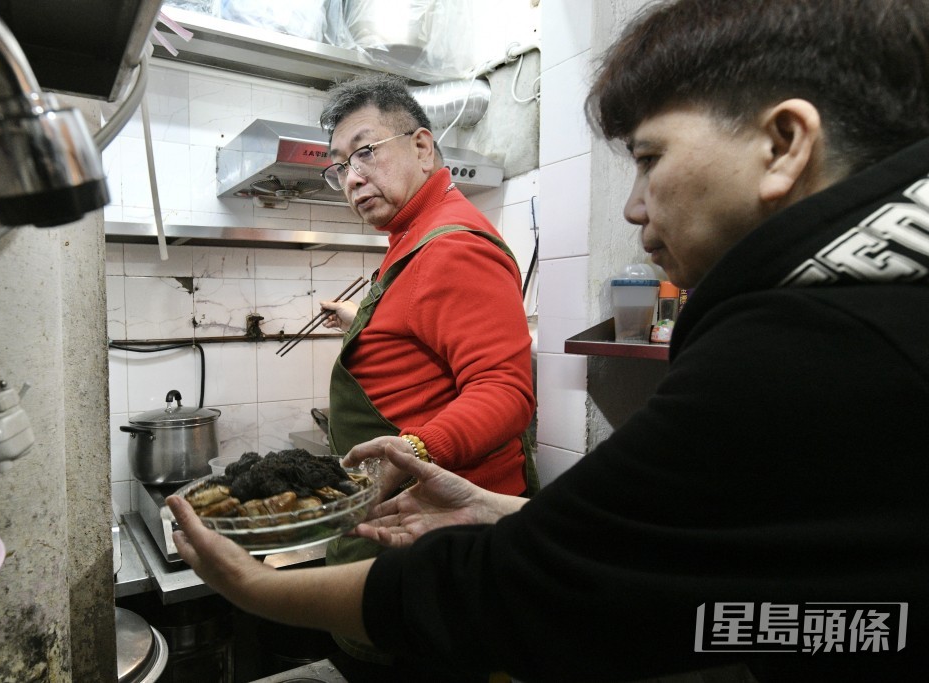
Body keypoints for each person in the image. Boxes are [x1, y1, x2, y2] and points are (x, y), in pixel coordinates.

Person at [167, 1, 929, 681]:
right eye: (338, 165)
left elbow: (509, 416)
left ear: (786, 141)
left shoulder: (807, 346)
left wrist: (260, 585)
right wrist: (503, 511)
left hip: (444, 563)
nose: (631, 208)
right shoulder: (863, 292)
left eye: (649, 158)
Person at [310, 74, 537, 678]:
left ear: (421, 146)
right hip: (418, 531)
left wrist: (414, 447)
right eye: (338, 167)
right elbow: (423, 342)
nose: (352, 177)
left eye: (364, 151)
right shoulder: (411, 239)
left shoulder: (451, 246)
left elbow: (506, 392)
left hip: (446, 540)